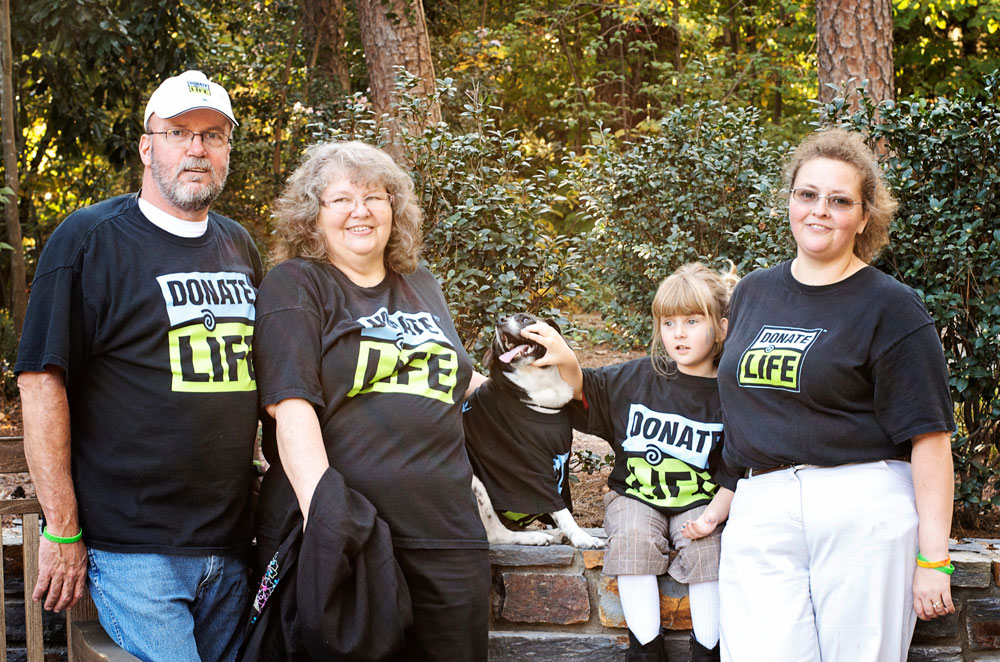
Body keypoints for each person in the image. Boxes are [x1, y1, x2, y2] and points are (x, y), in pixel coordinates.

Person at [15, 70, 261, 661]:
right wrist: (63, 528)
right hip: (134, 548)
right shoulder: (88, 240)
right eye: (178, 133)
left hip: (232, 543)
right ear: (148, 146)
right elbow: (40, 382)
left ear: (227, 149)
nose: (196, 149)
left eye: (212, 135)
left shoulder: (239, 245)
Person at [715, 128, 956, 661]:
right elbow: (739, 410)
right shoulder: (753, 291)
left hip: (861, 506)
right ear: (791, 201)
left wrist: (934, 559)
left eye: (839, 200)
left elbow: (931, 438)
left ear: (864, 217)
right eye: (808, 194)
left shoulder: (893, 307)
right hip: (762, 506)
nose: (819, 210)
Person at [250, 140, 489, 661]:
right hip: (348, 534)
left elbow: (460, 384)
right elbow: (291, 407)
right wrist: (329, 523)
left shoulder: (421, 283)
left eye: (375, 197)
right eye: (340, 200)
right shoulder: (295, 284)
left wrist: (544, 378)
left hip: (447, 535)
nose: (360, 210)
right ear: (312, 216)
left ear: (394, 209)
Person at [522, 262, 739, 662]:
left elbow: (738, 464)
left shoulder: (731, 393)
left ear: (721, 327)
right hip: (635, 495)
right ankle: (646, 649)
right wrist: (564, 354)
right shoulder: (641, 376)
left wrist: (712, 516)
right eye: (669, 323)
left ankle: (708, 651)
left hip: (701, 500)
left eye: (692, 321)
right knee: (634, 537)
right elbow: (584, 386)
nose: (678, 333)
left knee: (709, 549)